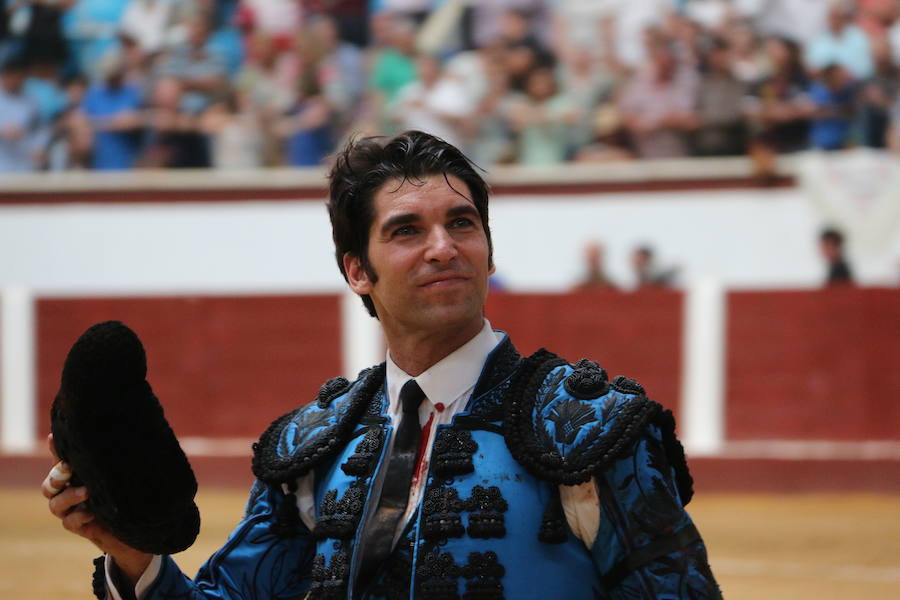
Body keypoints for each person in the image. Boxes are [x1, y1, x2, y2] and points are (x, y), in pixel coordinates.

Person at [43, 130, 721, 599]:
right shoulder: (315, 446)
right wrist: (131, 555)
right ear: (356, 270)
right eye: (406, 230)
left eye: (462, 224)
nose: (443, 248)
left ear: (488, 249)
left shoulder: (589, 430)